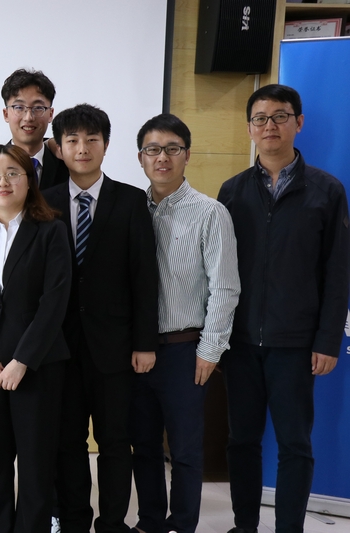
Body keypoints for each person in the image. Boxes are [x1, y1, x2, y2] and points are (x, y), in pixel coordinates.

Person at [217, 84, 350, 533]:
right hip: (240, 342)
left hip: (295, 343)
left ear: (299, 122)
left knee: (295, 444)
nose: (269, 125)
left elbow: (337, 273)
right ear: (250, 128)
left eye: (280, 116)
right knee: (241, 441)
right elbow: (218, 269)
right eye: (260, 118)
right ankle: (244, 526)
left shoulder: (327, 191)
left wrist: (327, 339)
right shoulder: (232, 191)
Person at [43, 104, 158, 533]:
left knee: (114, 442)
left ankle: (112, 523)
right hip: (60, 348)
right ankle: (74, 521)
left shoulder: (130, 200)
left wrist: (144, 343)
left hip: (116, 348)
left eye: (92, 139)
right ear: (59, 148)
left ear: (106, 145)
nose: (82, 148)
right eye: (72, 140)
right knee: (67, 442)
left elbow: (144, 277)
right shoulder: (45, 202)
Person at [131, 113, 240, 533]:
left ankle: (181, 524)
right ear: (141, 157)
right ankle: (150, 522)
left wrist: (210, 351)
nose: (163, 157)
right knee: (143, 445)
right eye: (153, 149)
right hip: (136, 350)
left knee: (186, 449)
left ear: (187, 155)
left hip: (184, 350)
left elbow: (225, 287)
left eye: (172, 149)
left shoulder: (211, 213)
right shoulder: (129, 209)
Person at [0, 144, 71, 533]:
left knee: (36, 463)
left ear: (29, 180)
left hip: (37, 365)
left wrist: (22, 361)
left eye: (12, 173)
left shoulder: (51, 230)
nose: (1, 181)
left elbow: (54, 302)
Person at [1, 68, 69, 190]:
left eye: (38, 108)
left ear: (50, 114)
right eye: (19, 107)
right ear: (6, 114)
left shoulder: (68, 164)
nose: (28, 117)